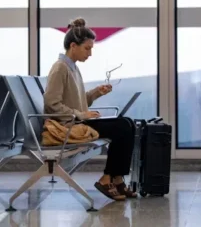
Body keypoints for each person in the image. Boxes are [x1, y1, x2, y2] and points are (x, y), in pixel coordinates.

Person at [43, 17, 137, 201]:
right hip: (69, 126)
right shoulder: (60, 68)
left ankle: (117, 179)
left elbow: (76, 101)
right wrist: (80, 114)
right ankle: (106, 178)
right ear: (73, 46)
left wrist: (96, 93)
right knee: (122, 127)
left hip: (77, 120)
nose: (90, 53)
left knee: (128, 123)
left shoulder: (72, 68)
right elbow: (51, 104)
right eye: (87, 48)